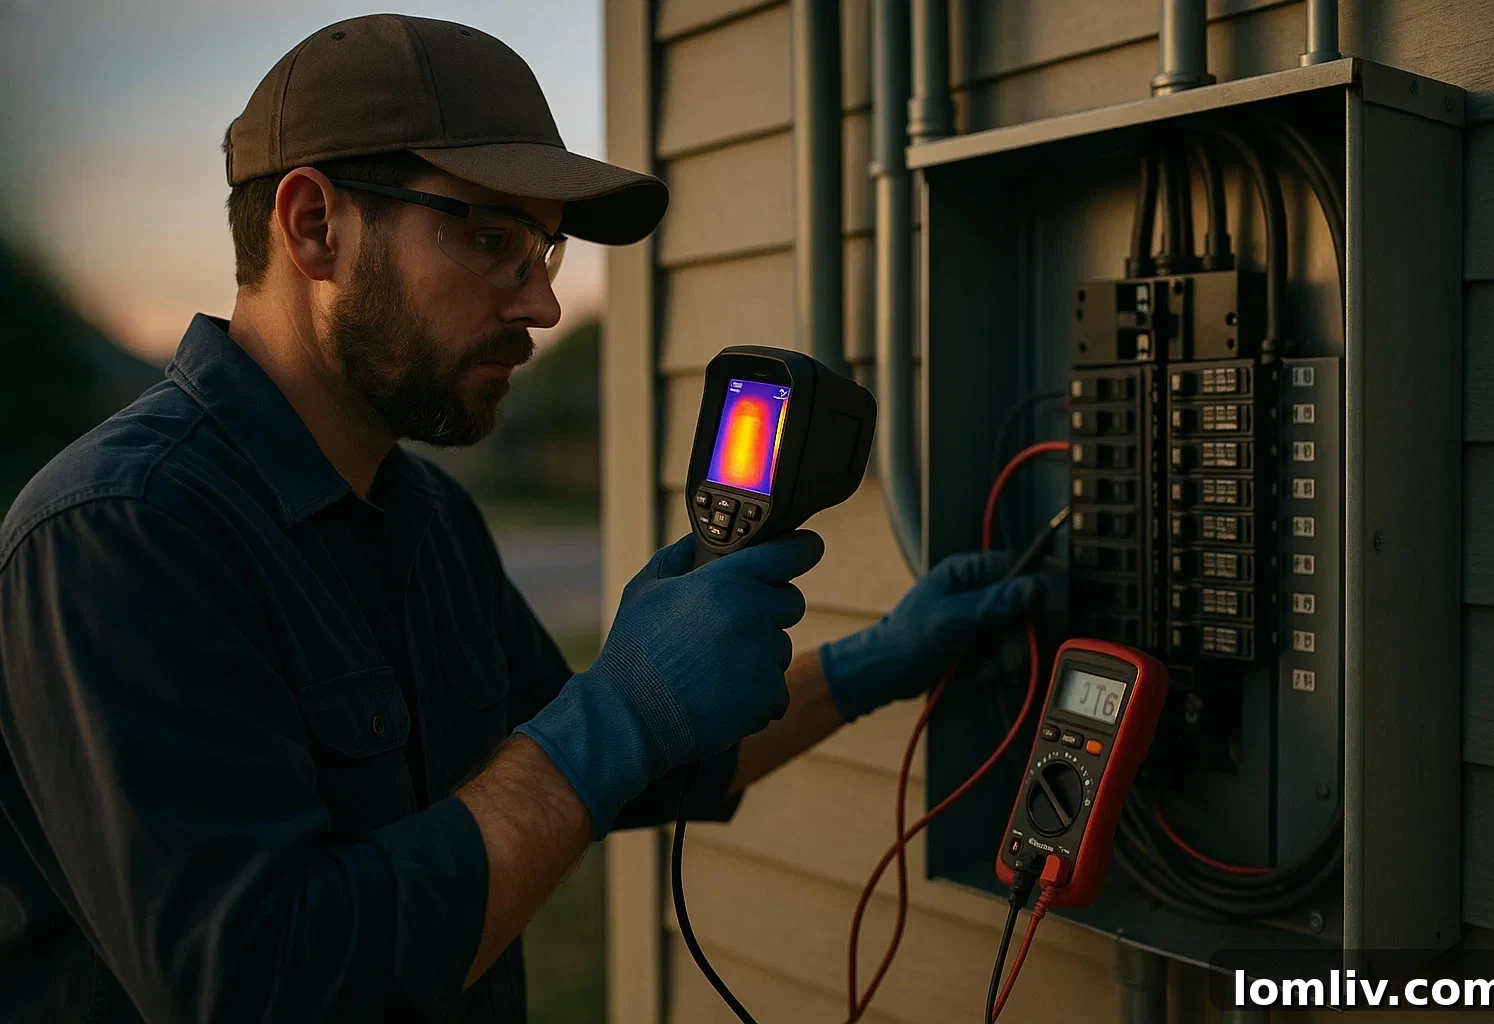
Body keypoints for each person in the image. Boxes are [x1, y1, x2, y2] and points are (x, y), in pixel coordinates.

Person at [0, 15, 1047, 1024]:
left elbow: (632, 761)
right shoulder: (119, 534)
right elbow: (261, 981)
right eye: (491, 237)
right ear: (314, 225)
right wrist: (619, 710)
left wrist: (884, 658)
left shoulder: (422, 516)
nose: (541, 305)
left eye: (539, 252)